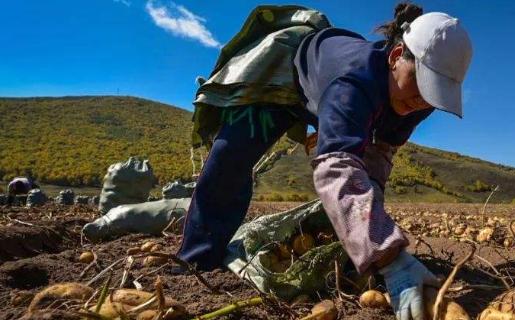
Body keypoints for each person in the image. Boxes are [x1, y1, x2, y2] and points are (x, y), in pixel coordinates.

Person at [177, 3, 472, 319]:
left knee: (358, 198)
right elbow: (337, 166)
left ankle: (354, 254)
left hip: (329, 94)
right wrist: (391, 258)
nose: (423, 100)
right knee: (229, 160)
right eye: (420, 81)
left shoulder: (416, 102)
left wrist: (370, 236)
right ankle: (198, 261)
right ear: (396, 57)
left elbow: (376, 158)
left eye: (433, 92)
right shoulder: (354, 84)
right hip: (284, 74)